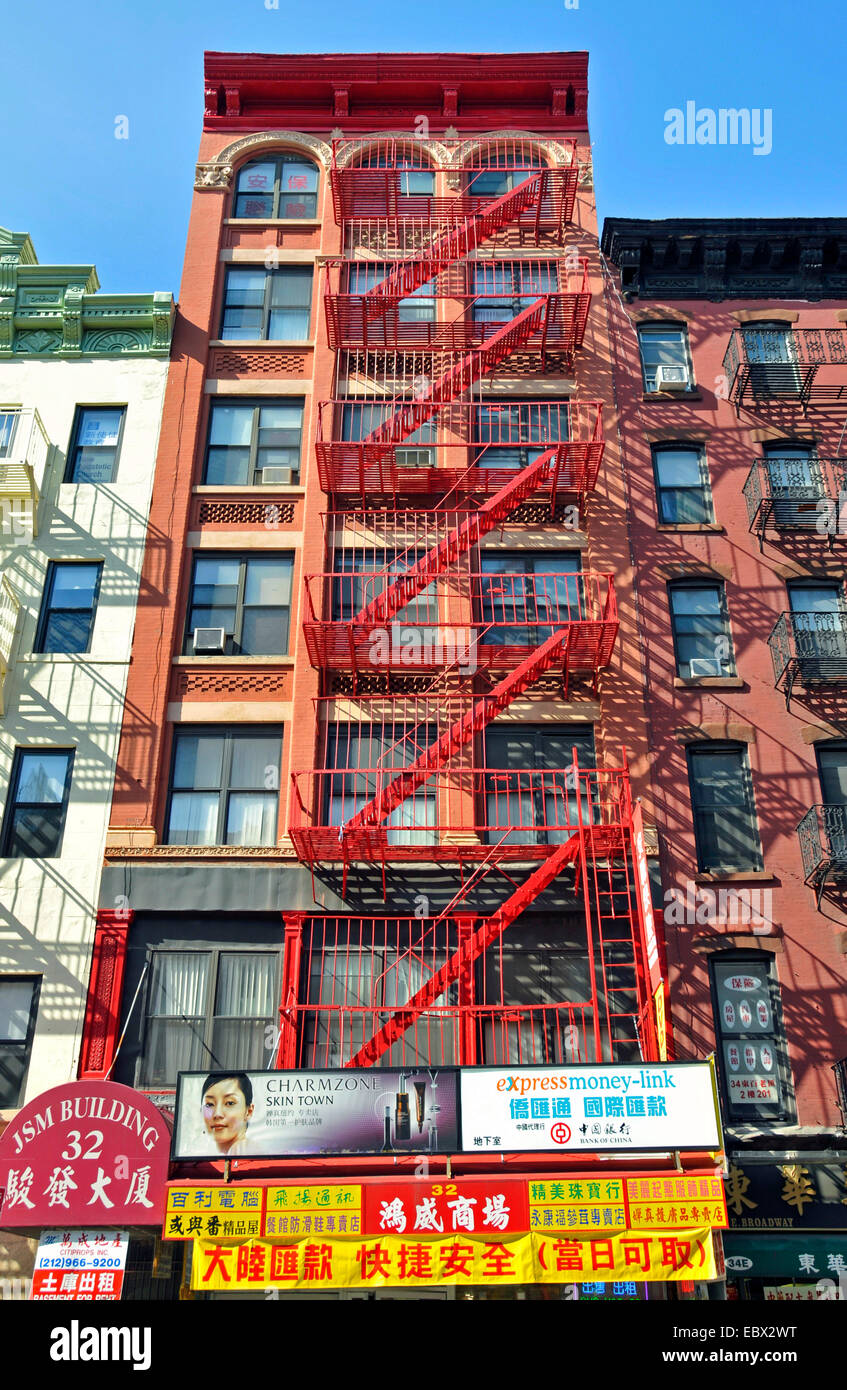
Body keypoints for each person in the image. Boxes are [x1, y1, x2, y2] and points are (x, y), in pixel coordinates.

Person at [200, 1072, 255, 1155]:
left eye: (229, 1103)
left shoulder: (262, 1156)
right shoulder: (190, 1154)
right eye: (210, 1104)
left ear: (248, 1111)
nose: (217, 1114)